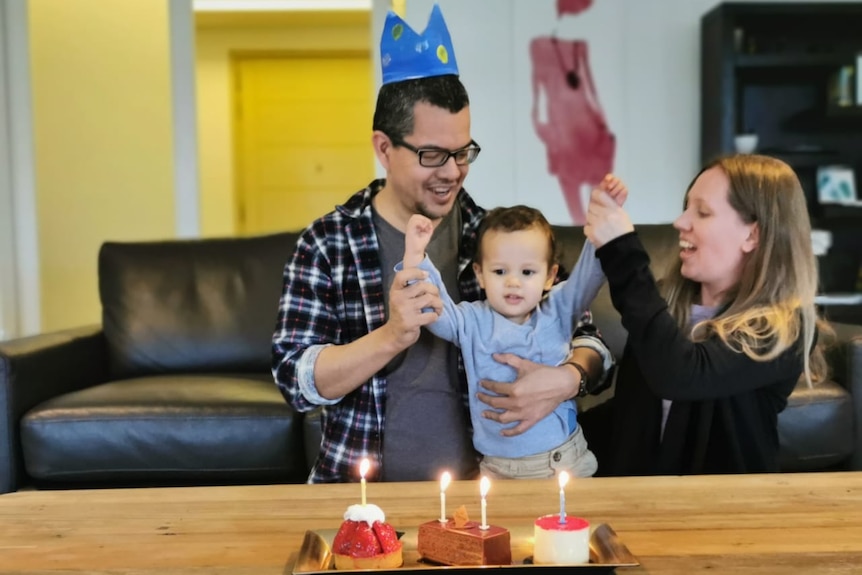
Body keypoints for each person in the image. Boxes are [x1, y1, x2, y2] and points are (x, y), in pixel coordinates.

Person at [271, 5, 612, 483]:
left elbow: (588, 336)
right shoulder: (329, 243)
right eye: (432, 154)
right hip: (363, 496)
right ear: (384, 148)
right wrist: (391, 336)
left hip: (491, 493)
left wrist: (570, 377)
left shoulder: (496, 237)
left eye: (463, 152)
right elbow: (296, 381)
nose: (452, 171)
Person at [582, 153, 829, 475]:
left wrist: (622, 252)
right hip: (637, 504)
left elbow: (682, 375)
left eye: (702, 212)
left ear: (752, 235)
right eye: (686, 208)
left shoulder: (784, 329)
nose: (680, 222)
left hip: (723, 511)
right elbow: (631, 412)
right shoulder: (664, 304)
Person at [401, 177, 626, 480]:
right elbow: (434, 309)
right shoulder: (471, 319)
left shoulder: (559, 309)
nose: (513, 282)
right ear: (479, 274)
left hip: (563, 462)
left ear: (550, 277)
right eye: (499, 271)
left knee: (573, 528)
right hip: (497, 469)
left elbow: (590, 275)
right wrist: (416, 257)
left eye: (528, 271)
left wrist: (602, 220)